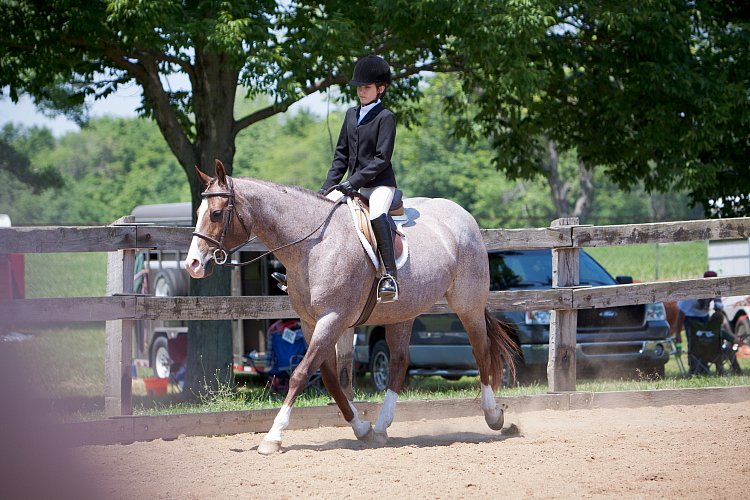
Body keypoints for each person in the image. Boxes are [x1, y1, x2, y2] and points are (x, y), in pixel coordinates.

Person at [320, 54, 399, 303]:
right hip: (352, 185)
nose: (361, 92)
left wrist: (352, 182)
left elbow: (381, 159)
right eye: (359, 87)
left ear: (380, 88)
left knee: (376, 215)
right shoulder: (351, 115)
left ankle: (389, 275)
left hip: (379, 184)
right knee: (322, 209)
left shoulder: (386, 118)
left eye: (366, 87)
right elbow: (340, 156)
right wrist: (325, 190)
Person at [674, 270, 733, 374]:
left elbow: (719, 310)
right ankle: (694, 367)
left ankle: (706, 366)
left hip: (705, 317)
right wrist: (677, 333)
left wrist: (716, 325)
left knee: (707, 340)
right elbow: (681, 314)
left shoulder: (715, 289)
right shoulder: (692, 293)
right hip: (690, 317)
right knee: (693, 342)